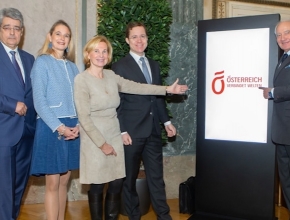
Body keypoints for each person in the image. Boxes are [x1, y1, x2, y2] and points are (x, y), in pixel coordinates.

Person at [74, 35, 187, 220]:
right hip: (95, 138)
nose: (101, 55)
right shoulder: (82, 80)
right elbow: (84, 118)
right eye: (96, 51)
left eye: (104, 51)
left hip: (113, 134)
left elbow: (138, 87)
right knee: (97, 185)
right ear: (88, 54)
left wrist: (166, 89)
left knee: (117, 182)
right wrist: (102, 144)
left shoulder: (111, 75)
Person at [111, 21, 175, 220]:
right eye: (135, 37)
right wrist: (121, 131)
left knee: (156, 179)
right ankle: (134, 217)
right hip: (130, 133)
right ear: (127, 40)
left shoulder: (154, 65)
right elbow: (116, 103)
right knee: (128, 181)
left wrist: (166, 122)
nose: (139, 40)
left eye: (143, 36)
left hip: (153, 132)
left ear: (147, 39)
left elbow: (156, 98)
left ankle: (164, 217)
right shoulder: (118, 67)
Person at [30, 20, 80, 220]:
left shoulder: (73, 67)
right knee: (52, 182)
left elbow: (80, 100)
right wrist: (59, 127)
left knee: (64, 181)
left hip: (73, 126)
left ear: (69, 41)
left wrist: (78, 125)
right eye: (58, 34)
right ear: (50, 37)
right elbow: (39, 101)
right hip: (52, 127)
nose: (62, 38)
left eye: (66, 35)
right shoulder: (42, 62)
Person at [0, 7, 36, 220]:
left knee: (17, 189)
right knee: (3, 191)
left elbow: (33, 94)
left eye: (17, 29)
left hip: (26, 133)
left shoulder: (29, 58)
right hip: (3, 133)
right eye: (7, 28)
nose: (12, 33)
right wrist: (11, 105)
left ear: (22, 32)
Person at [259, 20, 290, 211]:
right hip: (281, 132)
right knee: (286, 180)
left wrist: (272, 92)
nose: (282, 38)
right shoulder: (284, 58)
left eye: (286, 33)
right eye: (278, 35)